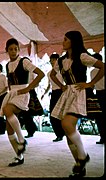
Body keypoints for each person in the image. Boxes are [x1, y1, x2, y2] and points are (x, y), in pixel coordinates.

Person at [50, 31, 104, 178]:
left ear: (73, 41)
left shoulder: (82, 56)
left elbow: (102, 67)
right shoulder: (61, 61)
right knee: (68, 133)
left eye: (66, 39)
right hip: (67, 92)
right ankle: (80, 166)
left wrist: (90, 84)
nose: (63, 41)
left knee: (67, 124)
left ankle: (83, 156)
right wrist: (61, 86)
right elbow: (52, 74)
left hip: (79, 92)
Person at [0, 38, 45, 166]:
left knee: (8, 110)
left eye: (15, 49)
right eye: (10, 49)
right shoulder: (7, 65)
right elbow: (10, 81)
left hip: (23, 93)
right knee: (9, 129)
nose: (13, 52)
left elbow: (41, 74)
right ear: (6, 51)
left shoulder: (24, 61)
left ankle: (21, 139)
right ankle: (19, 156)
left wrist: (28, 88)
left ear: (19, 50)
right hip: (12, 93)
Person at [41, 53, 65, 142]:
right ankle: (59, 134)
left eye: (53, 60)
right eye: (50, 61)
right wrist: (44, 94)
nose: (52, 62)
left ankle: (66, 132)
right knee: (53, 115)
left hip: (62, 92)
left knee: (63, 114)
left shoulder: (62, 71)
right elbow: (49, 85)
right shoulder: (49, 73)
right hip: (54, 93)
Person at [90, 53, 105, 144]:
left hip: (99, 94)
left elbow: (93, 85)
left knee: (99, 118)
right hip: (101, 93)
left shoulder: (93, 71)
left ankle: (103, 137)